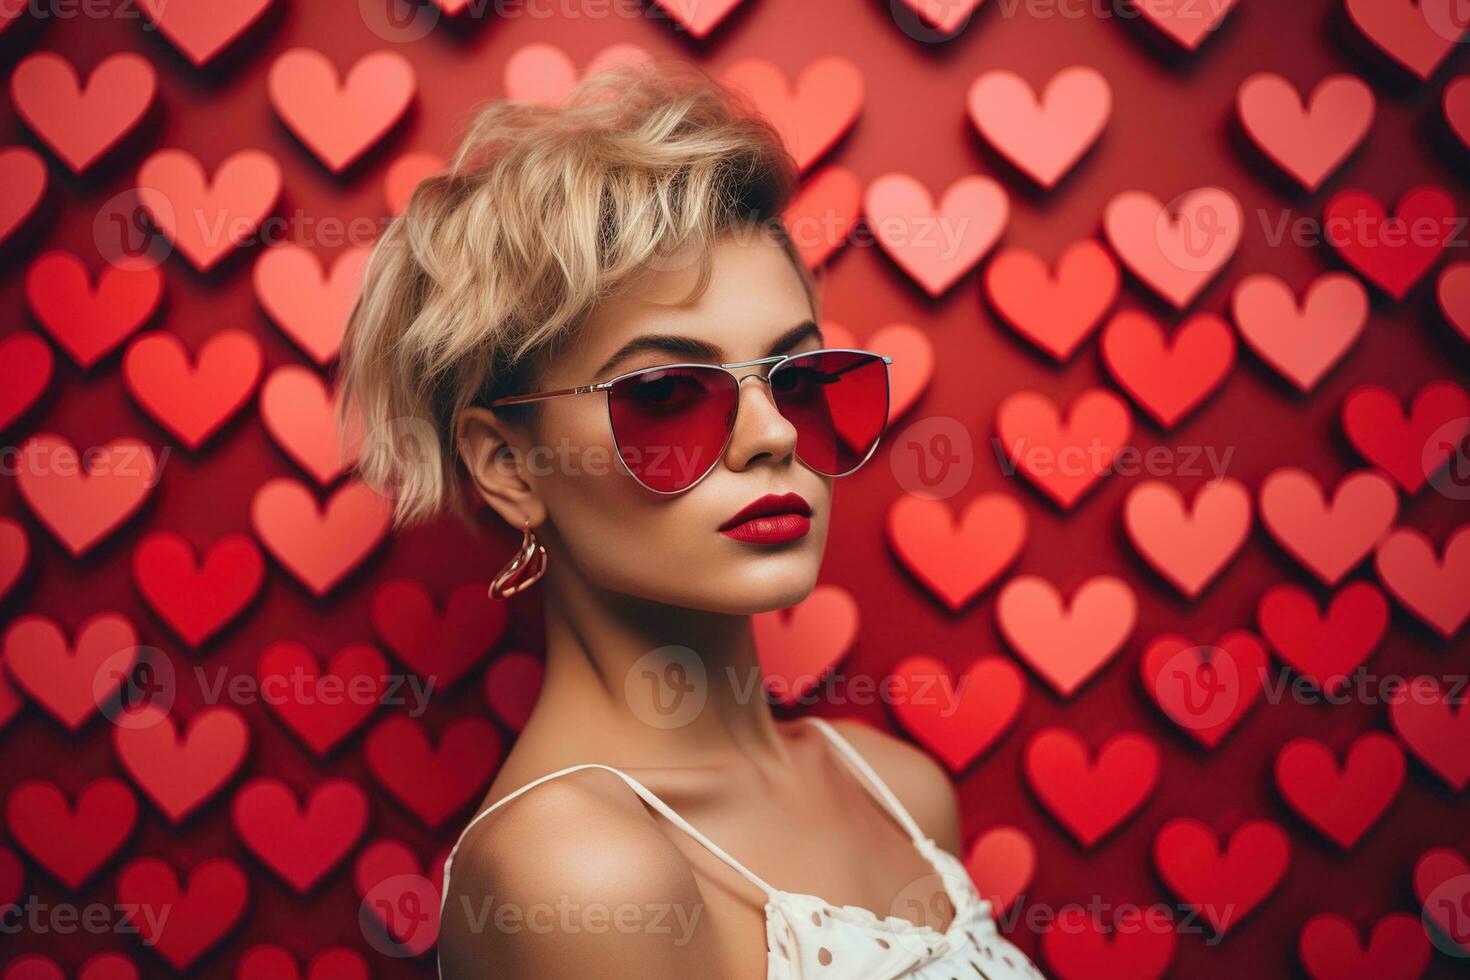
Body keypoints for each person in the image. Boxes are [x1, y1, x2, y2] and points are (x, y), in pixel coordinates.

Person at [337, 56, 1045, 980]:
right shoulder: (578, 873)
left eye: (799, 377)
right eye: (668, 391)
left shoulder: (900, 790)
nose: (773, 435)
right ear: (510, 466)